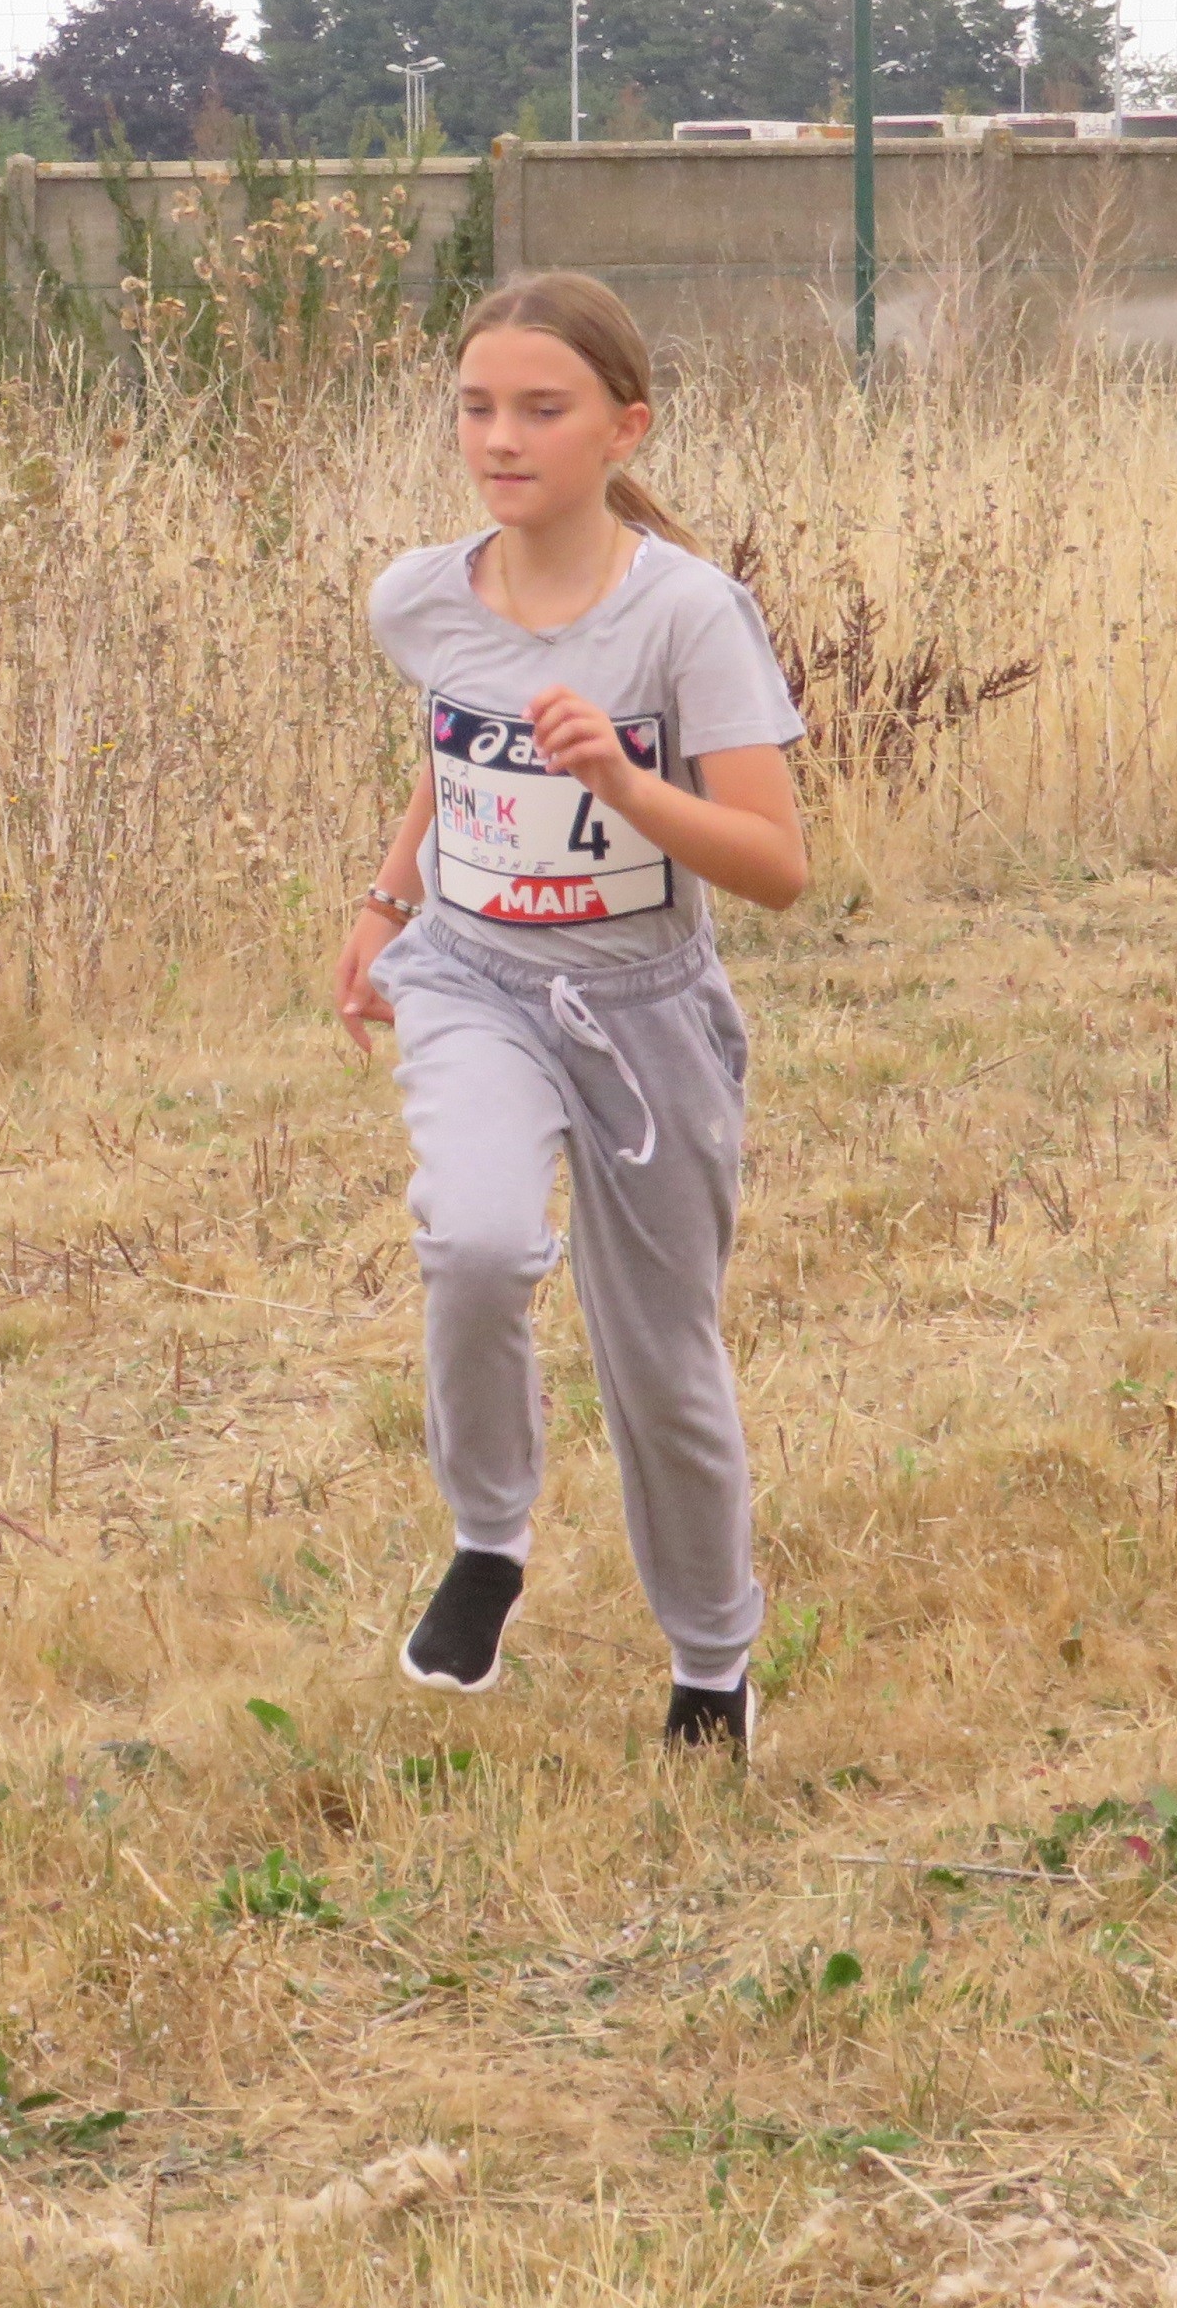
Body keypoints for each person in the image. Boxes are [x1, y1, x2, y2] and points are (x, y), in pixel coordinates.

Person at [333, 273, 810, 1747]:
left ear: (624, 428)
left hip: (646, 1012)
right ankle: (489, 1539)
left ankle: (711, 1670)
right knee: (471, 1239)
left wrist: (624, 785)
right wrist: (388, 902)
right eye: (477, 406)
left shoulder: (686, 617)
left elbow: (778, 867)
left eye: (542, 409)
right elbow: (455, 751)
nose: (501, 437)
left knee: (659, 1363)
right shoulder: (420, 595)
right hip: (474, 979)